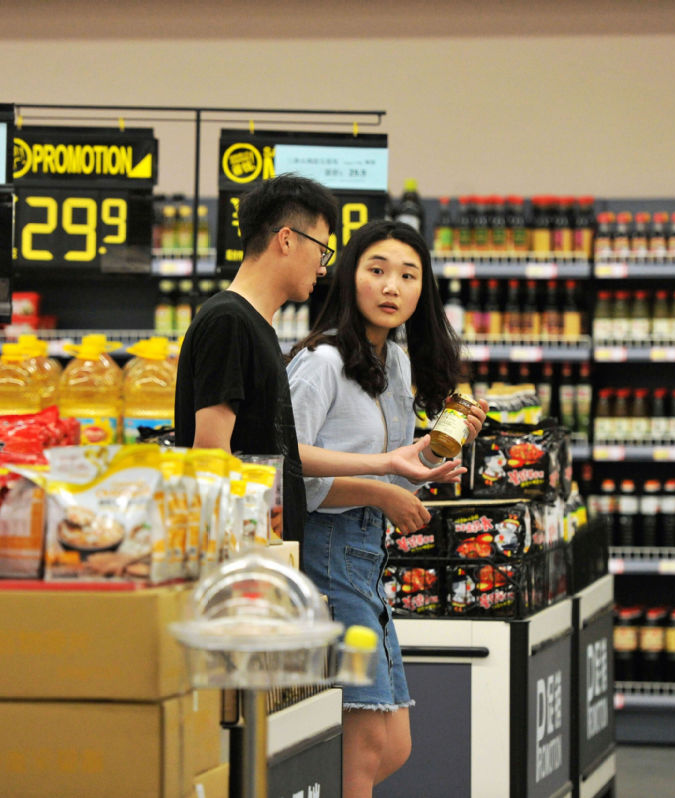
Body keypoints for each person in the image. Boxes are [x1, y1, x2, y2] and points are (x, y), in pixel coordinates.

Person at [286, 220, 486, 797]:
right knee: (365, 745)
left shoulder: (394, 363)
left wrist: (438, 452)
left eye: (408, 275)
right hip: (325, 557)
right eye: (377, 270)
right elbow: (285, 462)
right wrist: (381, 490)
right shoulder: (321, 362)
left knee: (393, 745)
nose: (392, 286)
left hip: (367, 560)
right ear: (350, 277)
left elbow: (393, 466)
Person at [175, 175, 463, 544]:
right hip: (245, 549)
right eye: (321, 250)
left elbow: (283, 455)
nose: (323, 267)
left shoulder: (256, 327)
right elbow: (211, 455)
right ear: (286, 239)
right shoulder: (229, 321)